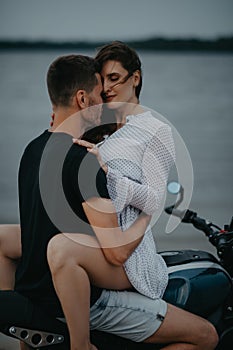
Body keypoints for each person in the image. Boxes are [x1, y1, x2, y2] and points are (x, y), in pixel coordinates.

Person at [0, 46, 218, 350]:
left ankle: (25, 318)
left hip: (86, 259)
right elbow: (117, 253)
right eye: (101, 86)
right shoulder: (92, 147)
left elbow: (147, 192)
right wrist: (142, 210)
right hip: (101, 265)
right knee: (207, 336)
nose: (107, 92)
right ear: (82, 98)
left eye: (114, 80)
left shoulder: (35, 149)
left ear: (136, 78)